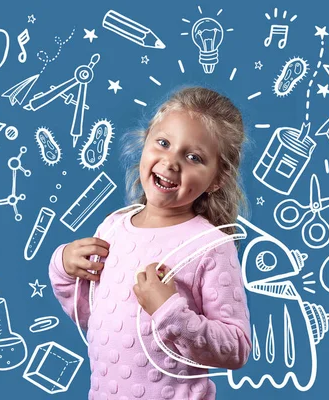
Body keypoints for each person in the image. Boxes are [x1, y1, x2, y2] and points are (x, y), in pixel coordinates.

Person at [49, 87, 252, 399]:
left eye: (193, 157)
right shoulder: (113, 226)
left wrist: (171, 312)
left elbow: (236, 348)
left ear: (217, 179)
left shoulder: (209, 245)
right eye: (164, 143)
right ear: (145, 142)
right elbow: (91, 318)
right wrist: (63, 269)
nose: (171, 162)